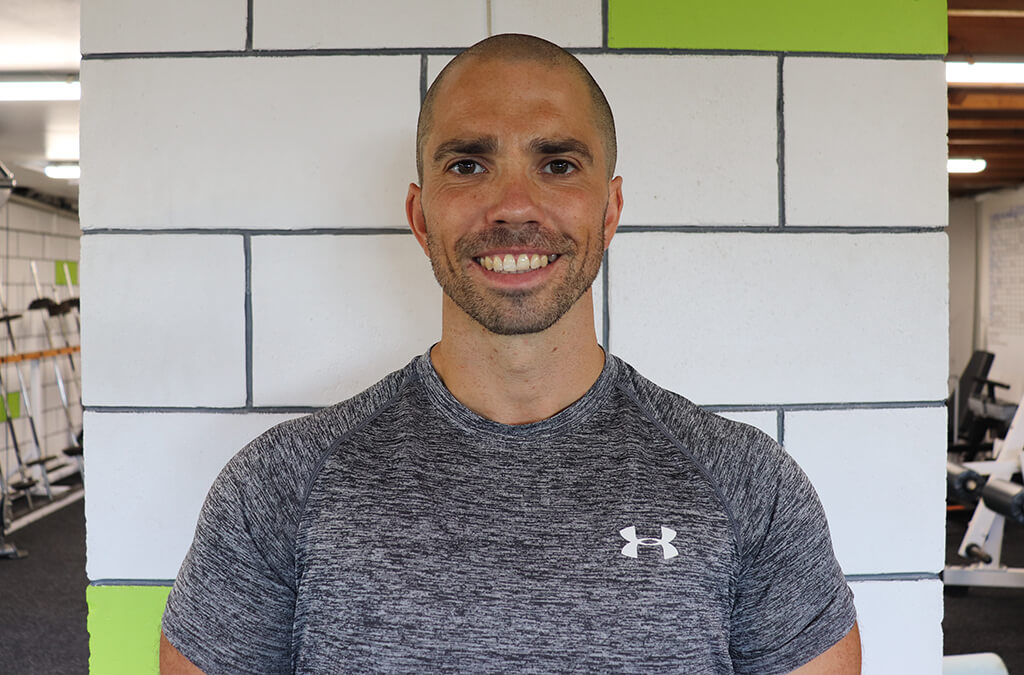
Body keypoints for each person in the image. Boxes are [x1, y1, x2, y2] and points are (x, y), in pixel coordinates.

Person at [160, 34, 861, 674]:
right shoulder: (276, 487)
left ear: (610, 211)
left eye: (557, 164)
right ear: (420, 214)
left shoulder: (748, 485)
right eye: (468, 164)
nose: (513, 205)